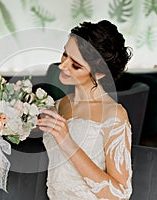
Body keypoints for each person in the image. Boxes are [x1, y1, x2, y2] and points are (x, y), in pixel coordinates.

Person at [37, 20, 133, 199]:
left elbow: (121, 193)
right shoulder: (59, 105)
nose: (63, 66)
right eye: (65, 54)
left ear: (99, 73)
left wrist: (67, 142)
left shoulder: (115, 115)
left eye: (76, 65)